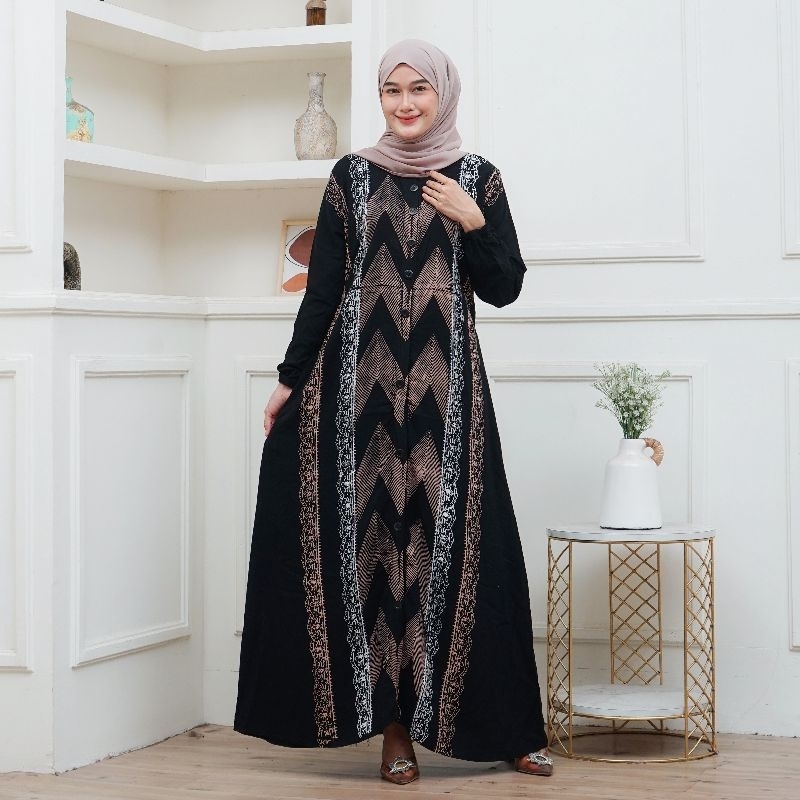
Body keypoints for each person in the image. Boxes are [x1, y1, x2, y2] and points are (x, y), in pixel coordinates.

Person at [234, 39, 553, 785]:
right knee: (377, 555)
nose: (405, 104)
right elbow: (324, 289)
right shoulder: (351, 177)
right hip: (357, 396)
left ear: (443, 94)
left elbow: (504, 288)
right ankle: (394, 733)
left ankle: (507, 728)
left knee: (470, 553)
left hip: (449, 398)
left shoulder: (477, 178)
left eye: (419, 89)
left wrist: (474, 221)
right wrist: (289, 379)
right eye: (391, 90)